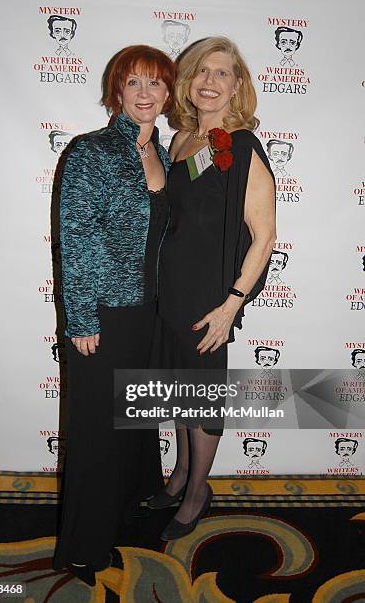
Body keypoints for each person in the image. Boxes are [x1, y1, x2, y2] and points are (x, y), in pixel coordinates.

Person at [52, 45, 175, 585]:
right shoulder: (91, 151)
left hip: (149, 310)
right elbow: (74, 236)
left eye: (156, 84)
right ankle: (82, 546)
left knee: (135, 421)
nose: (145, 94)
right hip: (103, 311)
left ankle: (125, 514)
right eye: (134, 84)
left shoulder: (167, 153)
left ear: (169, 93)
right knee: (97, 431)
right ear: (116, 91)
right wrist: (80, 317)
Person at [148, 37, 276, 540]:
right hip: (169, 291)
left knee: (200, 398)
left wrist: (231, 305)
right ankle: (179, 474)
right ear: (188, 80)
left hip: (209, 298)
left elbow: (264, 236)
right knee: (180, 392)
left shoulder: (241, 147)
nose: (209, 81)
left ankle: (198, 490)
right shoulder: (179, 140)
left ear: (237, 85)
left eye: (222, 73)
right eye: (202, 71)